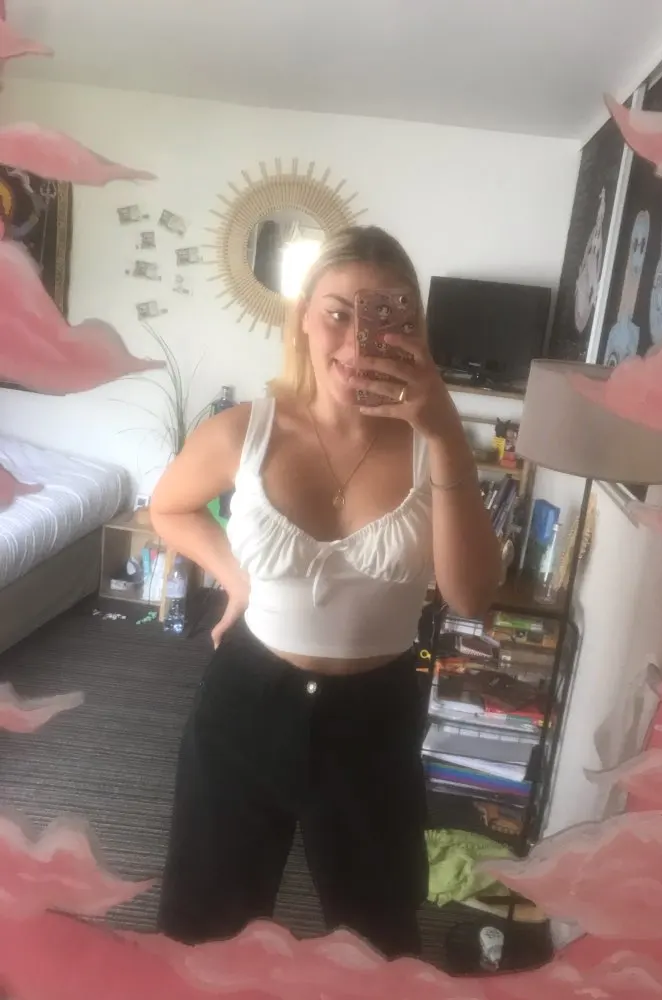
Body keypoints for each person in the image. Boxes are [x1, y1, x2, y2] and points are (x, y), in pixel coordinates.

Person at [150, 225, 503, 958]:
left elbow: (470, 596)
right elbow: (170, 508)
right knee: (204, 931)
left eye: (385, 317)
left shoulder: (434, 447)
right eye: (338, 312)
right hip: (246, 703)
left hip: (374, 719)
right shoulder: (241, 432)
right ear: (303, 318)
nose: (357, 340)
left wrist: (444, 435)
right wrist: (236, 578)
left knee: (381, 941)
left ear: (412, 329)